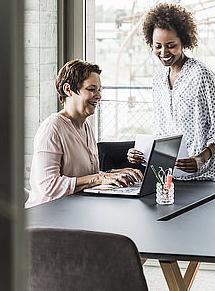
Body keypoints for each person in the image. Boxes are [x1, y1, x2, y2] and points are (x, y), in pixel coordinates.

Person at [127, 3, 215, 180]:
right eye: (157, 46)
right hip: (167, 175)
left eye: (171, 45)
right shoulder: (158, 79)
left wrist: (201, 158)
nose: (164, 52)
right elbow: (160, 130)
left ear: (183, 41)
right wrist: (140, 153)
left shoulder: (202, 75)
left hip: (200, 177)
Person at [26, 60, 143, 207]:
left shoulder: (85, 126)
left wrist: (114, 174)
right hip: (49, 215)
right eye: (91, 89)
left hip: (77, 210)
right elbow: (48, 186)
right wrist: (100, 178)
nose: (98, 96)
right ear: (68, 89)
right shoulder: (52, 128)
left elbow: (84, 176)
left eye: (99, 90)